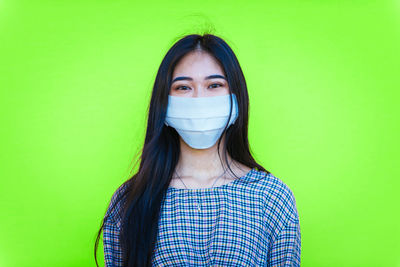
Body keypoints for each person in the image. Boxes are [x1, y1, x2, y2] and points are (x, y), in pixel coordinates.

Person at [94, 33, 301, 267]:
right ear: (164, 102)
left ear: (236, 98)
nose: (199, 99)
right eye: (183, 87)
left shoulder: (271, 196)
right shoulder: (129, 201)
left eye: (214, 85)